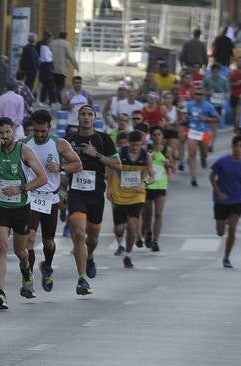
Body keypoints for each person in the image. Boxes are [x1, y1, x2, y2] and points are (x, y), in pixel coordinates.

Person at [0, 116, 48, 308]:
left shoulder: (24, 151)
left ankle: (26, 270)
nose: (4, 136)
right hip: (0, 207)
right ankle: (1, 292)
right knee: (1, 245)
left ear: (14, 131)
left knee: (20, 251)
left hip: (21, 208)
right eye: (1, 133)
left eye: (8, 132)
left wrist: (21, 188)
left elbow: (42, 178)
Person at [23, 108, 82, 293]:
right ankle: (28, 276)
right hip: (31, 196)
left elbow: (78, 165)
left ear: (50, 127)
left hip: (51, 198)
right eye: (36, 131)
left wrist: (61, 168)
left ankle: (47, 267)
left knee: (48, 242)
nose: (40, 134)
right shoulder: (24, 144)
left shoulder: (60, 144)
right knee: (29, 238)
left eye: (43, 131)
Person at [65, 105, 121, 295]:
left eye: (90, 114)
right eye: (83, 114)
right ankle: (82, 279)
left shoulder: (103, 139)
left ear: (95, 118)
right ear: (78, 117)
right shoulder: (69, 140)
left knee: (93, 238)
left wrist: (96, 154)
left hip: (96, 194)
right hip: (76, 193)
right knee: (79, 234)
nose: (86, 117)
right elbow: (60, 166)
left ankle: (89, 257)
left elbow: (117, 164)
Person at [107, 129, 154, 269]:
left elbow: (152, 177)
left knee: (133, 226)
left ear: (141, 144)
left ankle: (128, 255)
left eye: (137, 145)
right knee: (119, 229)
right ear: (128, 143)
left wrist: (143, 184)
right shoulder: (119, 153)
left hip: (137, 195)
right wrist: (109, 188)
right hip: (120, 195)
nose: (135, 147)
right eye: (132, 145)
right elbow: (110, 170)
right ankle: (121, 236)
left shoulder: (146, 156)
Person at [211, 134, 241, 269]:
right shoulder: (222, 162)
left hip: (238, 200)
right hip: (221, 200)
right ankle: (224, 221)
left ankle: (226, 257)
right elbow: (212, 176)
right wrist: (218, 192)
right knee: (220, 232)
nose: (238, 149)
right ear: (232, 147)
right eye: (236, 146)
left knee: (233, 228)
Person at [140, 126, 169, 252]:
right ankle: (148, 232)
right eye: (155, 135)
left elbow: (172, 167)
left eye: (159, 134)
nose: (157, 137)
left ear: (162, 136)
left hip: (161, 185)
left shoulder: (167, 149)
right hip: (148, 185)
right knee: (147, 214)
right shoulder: (146, 149)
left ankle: (155, 240)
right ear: (151, 137)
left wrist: (169, 164)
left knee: (158, 214)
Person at [184, 87, 219, 185]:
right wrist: (186, 118)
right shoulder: (190, 104)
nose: (198, 96)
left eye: (200, 94)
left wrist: (207, 119)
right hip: (193, 130)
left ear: (203, 95)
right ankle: (193, 177)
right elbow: (187, 115)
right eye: (196, 94)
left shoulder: (209, 106)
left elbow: (217, 119)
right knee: (192, 153)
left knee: (204, 153)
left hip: (204, 132)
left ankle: (203, 158)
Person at [36, 35, 58, 105]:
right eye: (51, 39)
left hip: (46, 67)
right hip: (46, 67)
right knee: (50, 85)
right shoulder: (44, 47)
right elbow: (47, 58)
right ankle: (52, 101)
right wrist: (51, 60)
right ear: (47, 39)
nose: (51, 40)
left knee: (45, 85)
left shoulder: (45, 47)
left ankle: (42, 100)